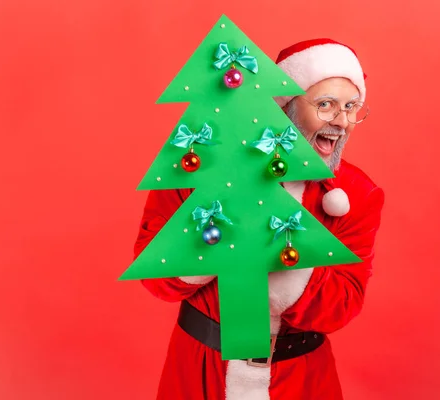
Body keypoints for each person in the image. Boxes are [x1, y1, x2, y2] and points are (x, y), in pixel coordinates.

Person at [134, 38, 385, 400]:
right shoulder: (200, 164)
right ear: (285, 106)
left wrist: (283, 250)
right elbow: (157, 277)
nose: (342, 122)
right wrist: (218, 232)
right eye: (326, 105)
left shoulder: (356, 193)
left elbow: (343, 303)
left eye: (352, 107)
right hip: (200, 372)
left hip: (300, 380)